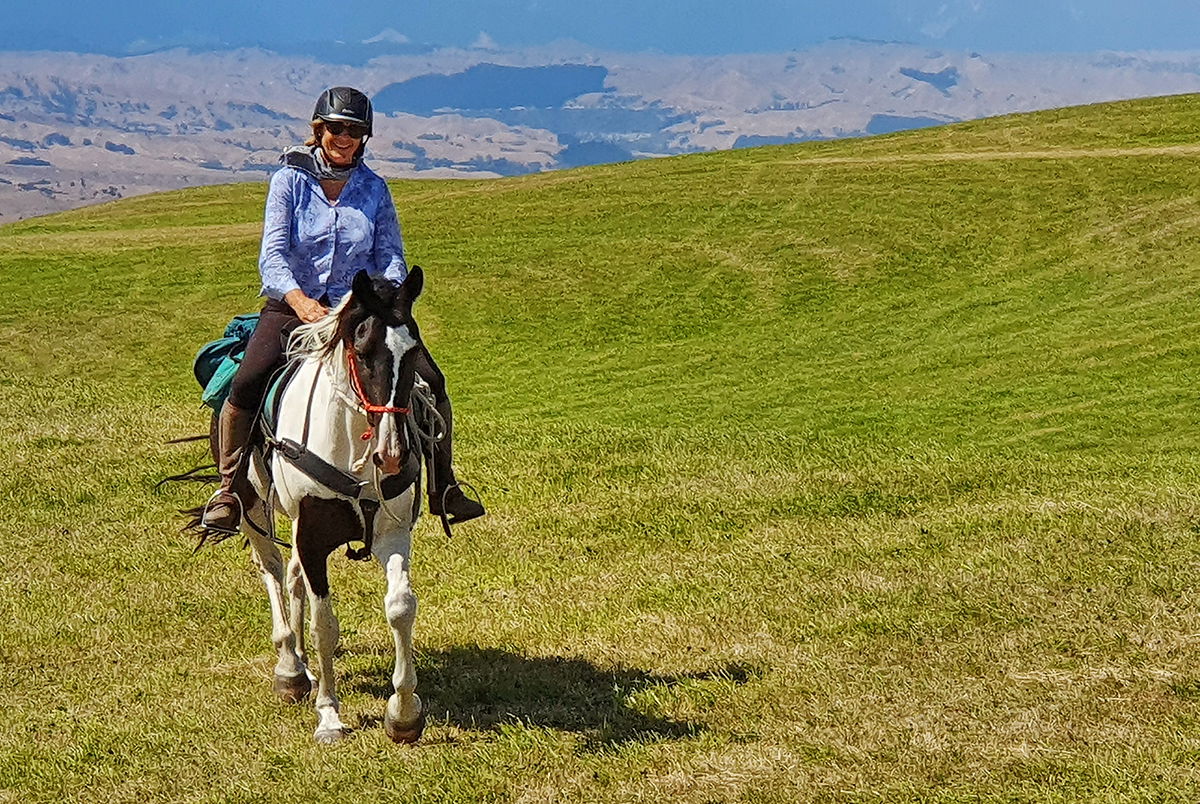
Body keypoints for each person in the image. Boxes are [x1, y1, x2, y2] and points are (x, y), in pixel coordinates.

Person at [202, 86, 485, 533]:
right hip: (295, 306)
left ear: (365, 137)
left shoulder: (375, 188)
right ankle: (229, 489)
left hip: (360, 309)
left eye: (354, 130)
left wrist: (386, 297)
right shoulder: (289, 182)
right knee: (247, 381)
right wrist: (300, 301)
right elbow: (272, 256)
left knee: (431, 380)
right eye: (336, 128)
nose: (344, 137)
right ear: (319, 130)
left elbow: (390, 252)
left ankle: (443, 486)